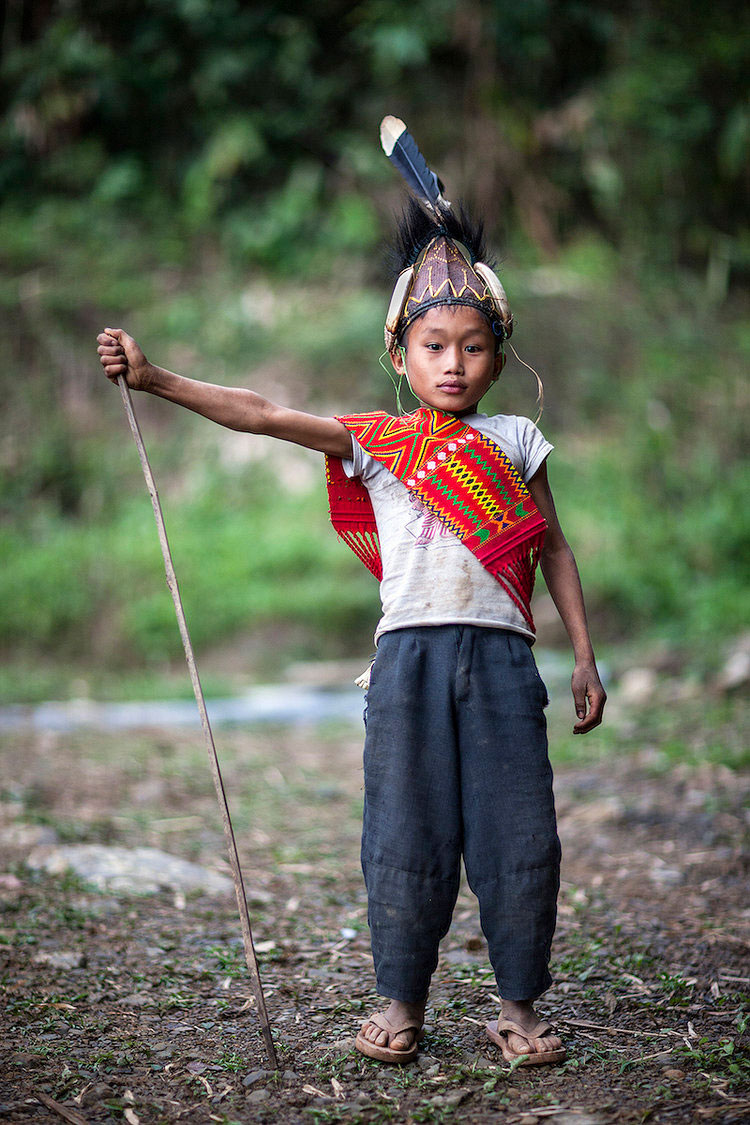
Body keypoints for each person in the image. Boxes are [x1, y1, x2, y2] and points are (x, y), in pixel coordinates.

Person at [97, 195, 606, 1069]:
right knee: (404, 834)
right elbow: (261, 413)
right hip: (405, 663)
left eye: (473, 347)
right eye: (433, 346)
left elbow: (554, 549)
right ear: (400, 354)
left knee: (519, 835)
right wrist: (158, 380)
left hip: (503, 662)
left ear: (499, 354)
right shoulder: (374, 443)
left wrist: (587, 658)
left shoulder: (518, 437)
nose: (453, 363)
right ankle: (399, 1000)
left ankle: (518, 1007)